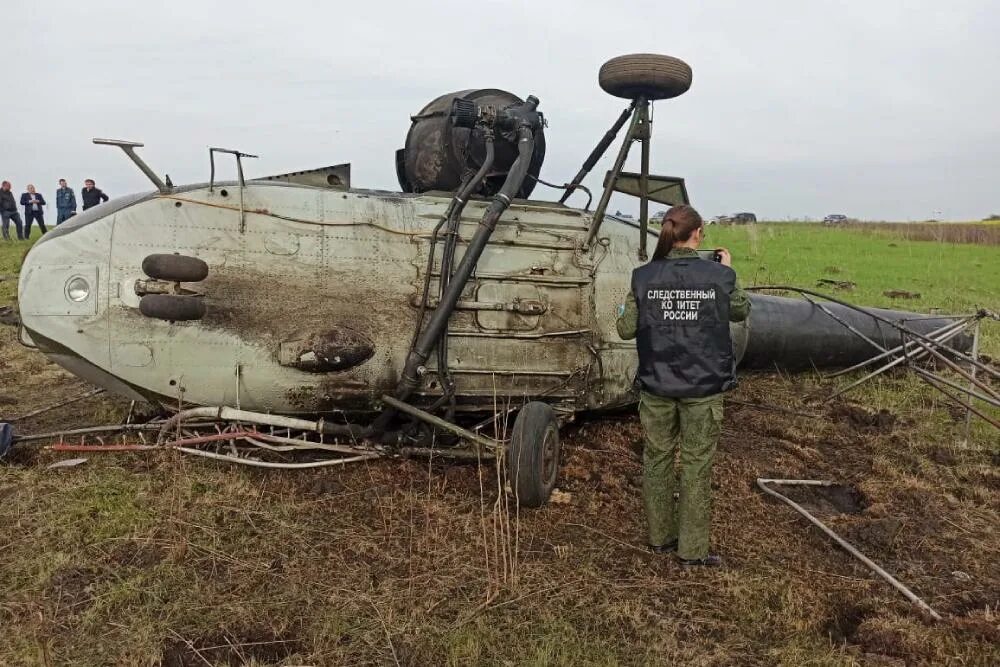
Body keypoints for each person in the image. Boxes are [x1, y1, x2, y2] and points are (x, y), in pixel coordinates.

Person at [616, 204, 750, 567]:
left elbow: (625, 328)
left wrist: (625, 306)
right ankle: (691, 550)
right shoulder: (720, 276)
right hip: (703, 388)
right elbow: (741, 310)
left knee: (657, 459)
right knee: (696, 465)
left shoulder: (642, 277)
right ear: (698, 233)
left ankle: (660, 539)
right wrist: (728, 271)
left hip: (656, 385)